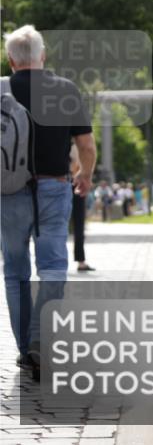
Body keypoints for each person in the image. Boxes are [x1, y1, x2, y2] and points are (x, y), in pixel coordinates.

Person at [1, 25, 95, 380]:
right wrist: (84, 175)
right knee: (53, 267)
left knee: (15, 271)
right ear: (42, 56)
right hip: (54, 188)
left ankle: (26, 349)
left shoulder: (1, 90)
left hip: (8, 191)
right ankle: (42, 338)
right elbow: (86, 145)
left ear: (11, 60)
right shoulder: (65, 89)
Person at [68, 145, 94, 272]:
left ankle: (80, 261)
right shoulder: (78, 145)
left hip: (62, 183)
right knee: (78, 225)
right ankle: (80, 261)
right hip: (73, 183)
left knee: (55, 226)